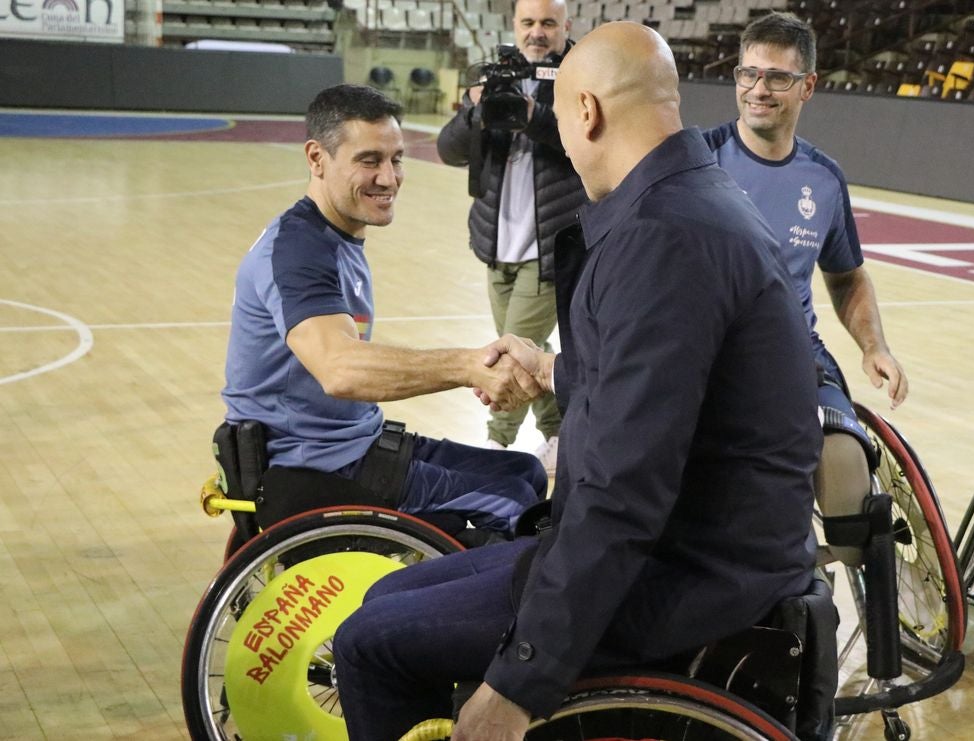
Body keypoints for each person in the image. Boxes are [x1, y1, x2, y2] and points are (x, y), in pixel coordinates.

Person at [333, 22, 823, 741]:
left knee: (369, 644)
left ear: (586, 111)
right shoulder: (692, 200)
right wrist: (554, 369)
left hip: (691, 573)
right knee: (386, 596)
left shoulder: (663, 237)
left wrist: (521, 679)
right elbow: (667, 382)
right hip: (704, 543)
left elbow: (623, 490)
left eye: (559, 116)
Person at [222, 83, 547, 536]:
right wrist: (470, 366)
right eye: (369, 160)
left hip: (352, 445)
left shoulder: (334, 236)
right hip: (309, 467)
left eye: (396, 159)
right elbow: (341, 370)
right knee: (511, 503)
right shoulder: (297, 250)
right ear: (316, 158)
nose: (389, 178)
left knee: (526, 473)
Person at [701, 11, 908, 567]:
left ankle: (807, 581)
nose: (758, 89)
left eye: (777, 78)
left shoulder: (822, 177)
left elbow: (845, 276)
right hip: (704, 354)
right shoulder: (696, 160)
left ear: (808, 86)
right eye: (748, 74)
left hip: (793, 353)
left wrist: (873, 346)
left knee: (844, 468)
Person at [436, 0, 588, 474]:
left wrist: (531, 114)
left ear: (567, 27)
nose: (537, 33)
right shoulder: (496, 76)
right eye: (528, 23)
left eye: (548, 23)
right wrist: (476, 110)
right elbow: (449, 151)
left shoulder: (581, 79)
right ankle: (563, 437)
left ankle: (494, 447)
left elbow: (584, 144)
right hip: (496, 247)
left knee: (511, 348)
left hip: (548, 249)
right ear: (514, 28)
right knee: (530, 351)